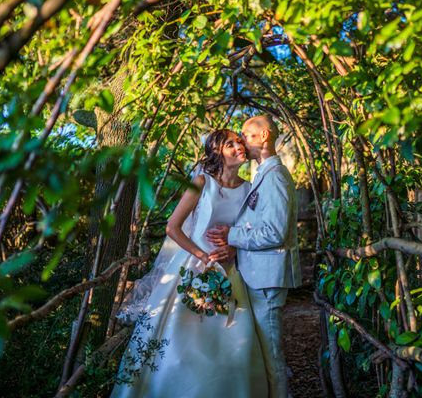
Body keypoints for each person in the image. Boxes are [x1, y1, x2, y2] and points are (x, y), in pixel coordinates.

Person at [110, 129, 267, 398]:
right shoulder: (202, 182)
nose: (239, 146)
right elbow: (173, 228)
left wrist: (232, 250)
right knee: (178, 340)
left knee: (233, 342)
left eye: (240, 142)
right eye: (231, 144)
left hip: (230, 271)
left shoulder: (249, 189)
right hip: (192, 267)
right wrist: (202, 256)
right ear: (217, 152)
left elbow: (250, 232)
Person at [207, 115, 301, 398]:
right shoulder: (261, 175)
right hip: (256, 276)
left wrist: (231, 236)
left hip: (267, 279)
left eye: (246, 135)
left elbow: (274, 233)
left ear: (264, 136)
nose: (242, 143)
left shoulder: (275, 177)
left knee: (273, 359)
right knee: (263, 355)